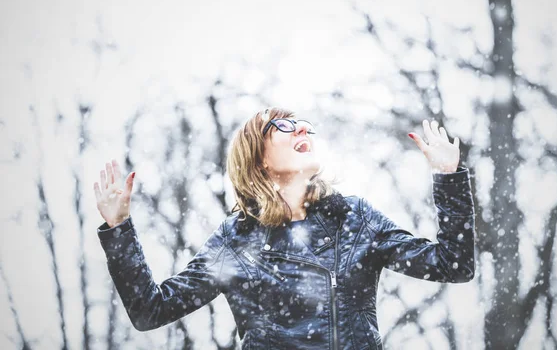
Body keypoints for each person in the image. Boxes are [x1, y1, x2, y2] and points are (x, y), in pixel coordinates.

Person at [94, 107, 475, 350]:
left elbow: (453, 265)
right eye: (287, 126)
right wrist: (119, 227)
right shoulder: (236, 241)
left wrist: (449, 177)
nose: (302, 131)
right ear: (258, 158)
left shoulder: (354, 219)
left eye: (307, 127)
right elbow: (150, 310)